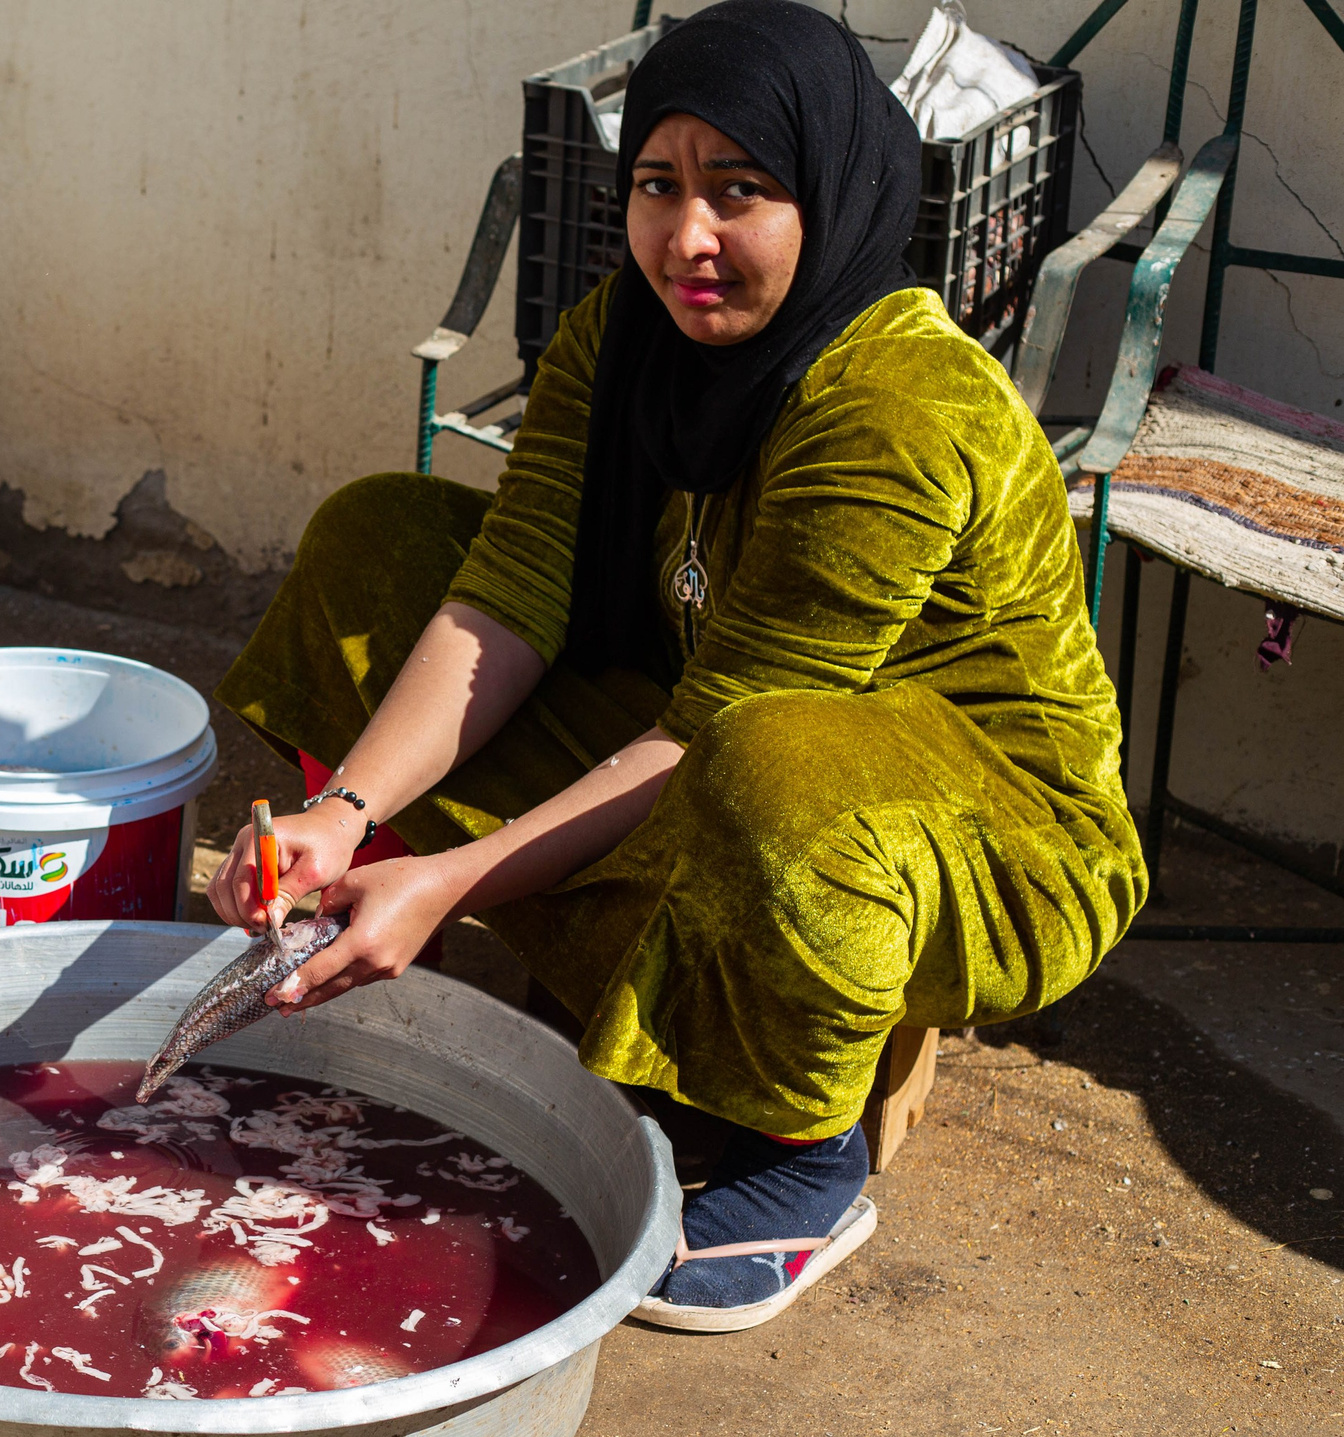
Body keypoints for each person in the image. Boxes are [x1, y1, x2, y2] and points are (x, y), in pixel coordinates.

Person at [207, 0, 1143, 1331]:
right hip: (719, 745)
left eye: (739, 193)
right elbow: (509, 603)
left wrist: (455, 877)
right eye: (658, 185)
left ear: (827, 193)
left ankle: (804, 1151)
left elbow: (722, 725)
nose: (685, 237)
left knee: (769, 761)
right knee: (382, 542)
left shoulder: (897, 401)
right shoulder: (620, 337)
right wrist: (346, 816)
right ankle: (617, 1005)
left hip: (986, 836)